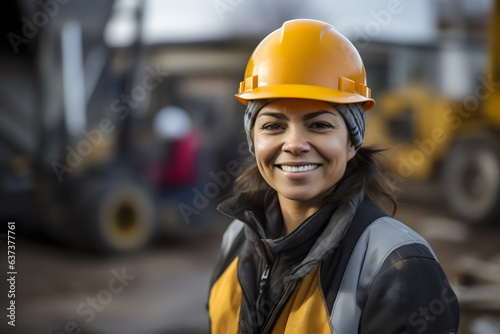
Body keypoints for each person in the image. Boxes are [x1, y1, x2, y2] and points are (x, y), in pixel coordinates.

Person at [208, 19, 459, 334]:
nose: (295, 144)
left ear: (352, 141)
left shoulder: (400, 264)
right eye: (273, 125)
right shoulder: (236, 239)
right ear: (253, 140)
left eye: (319, 125)